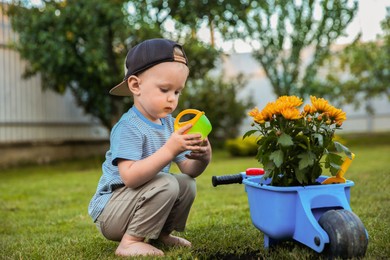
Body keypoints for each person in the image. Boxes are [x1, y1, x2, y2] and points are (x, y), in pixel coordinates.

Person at [88, 38, 212, 257]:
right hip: (112, 212)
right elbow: (130, 178)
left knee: (185, 183)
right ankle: (129, 242)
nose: (172, 99)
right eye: (165, 89)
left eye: (177, 92)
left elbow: (189, 170)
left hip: (139, 202)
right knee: (166, 182)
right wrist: (169, 150)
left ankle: (161, 235)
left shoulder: (169, 124)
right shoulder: (128, 126)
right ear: (136, 86)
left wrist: (202, 157)